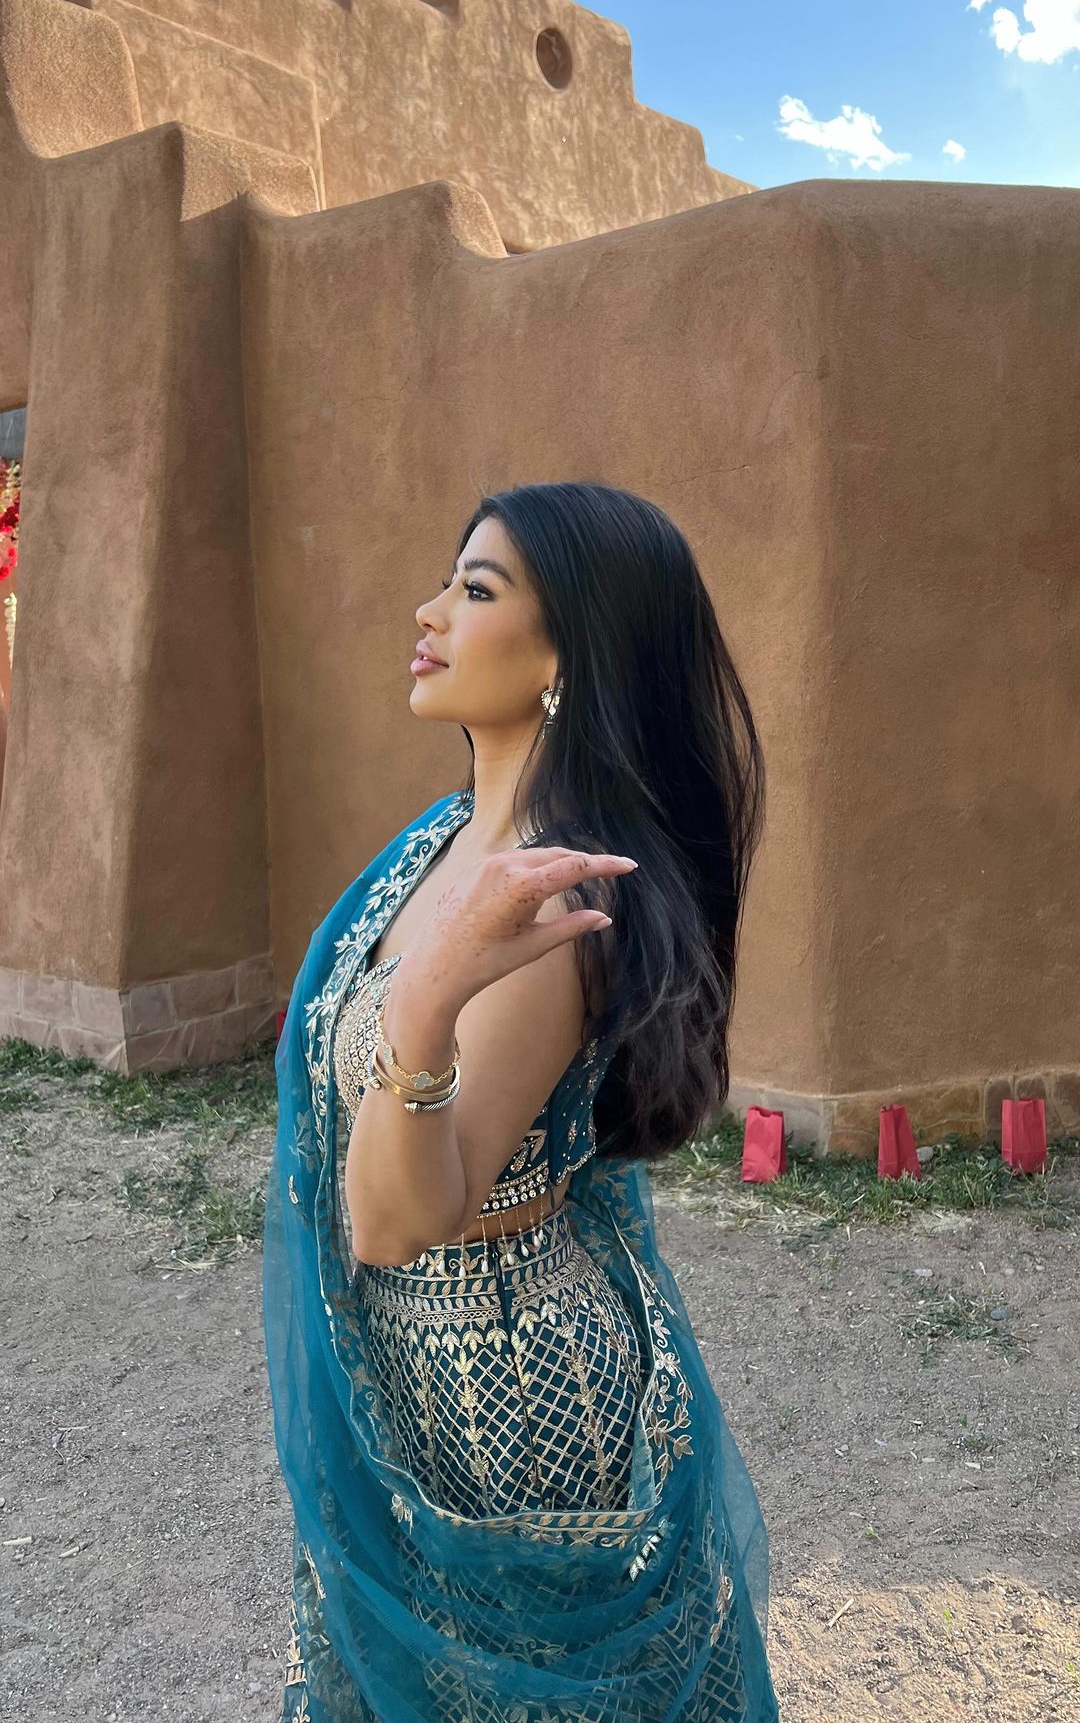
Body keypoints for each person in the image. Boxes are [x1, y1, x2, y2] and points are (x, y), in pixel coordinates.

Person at [264, 480, 780, 1722]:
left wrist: (430, 993)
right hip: (400, 1374)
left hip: (509, 1395)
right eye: (449, 580)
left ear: (568, 657)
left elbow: (394, 1222)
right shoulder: (438, 843)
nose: (430, 611)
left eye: (476, 589)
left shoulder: (550, 903)